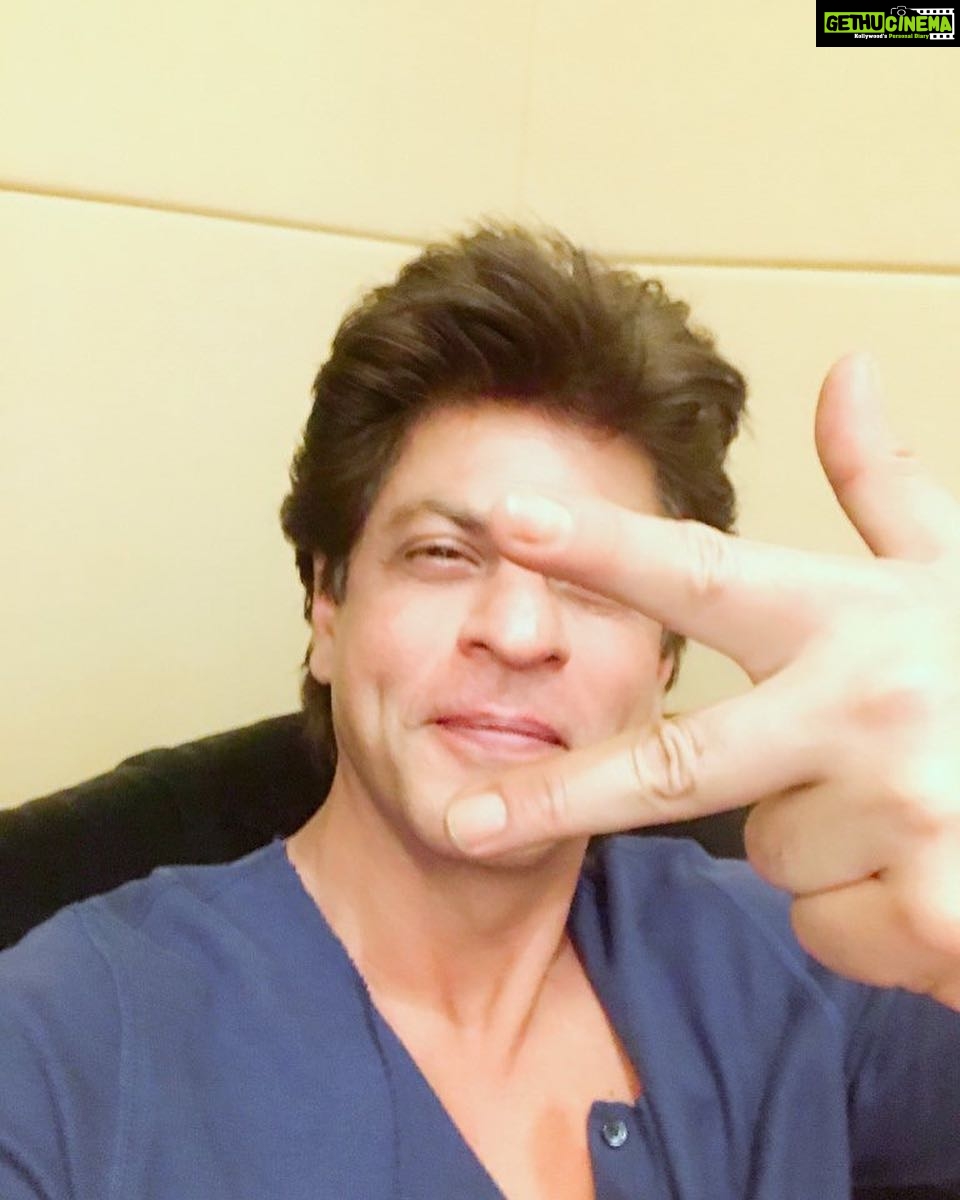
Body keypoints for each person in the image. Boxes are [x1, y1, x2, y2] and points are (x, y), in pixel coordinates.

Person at [1, 224, 958, 1200]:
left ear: (666, 658)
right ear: (327, 605)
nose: (518, 631)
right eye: (442, 555)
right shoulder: (68, 1045)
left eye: (596, 584)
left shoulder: (811, 962)